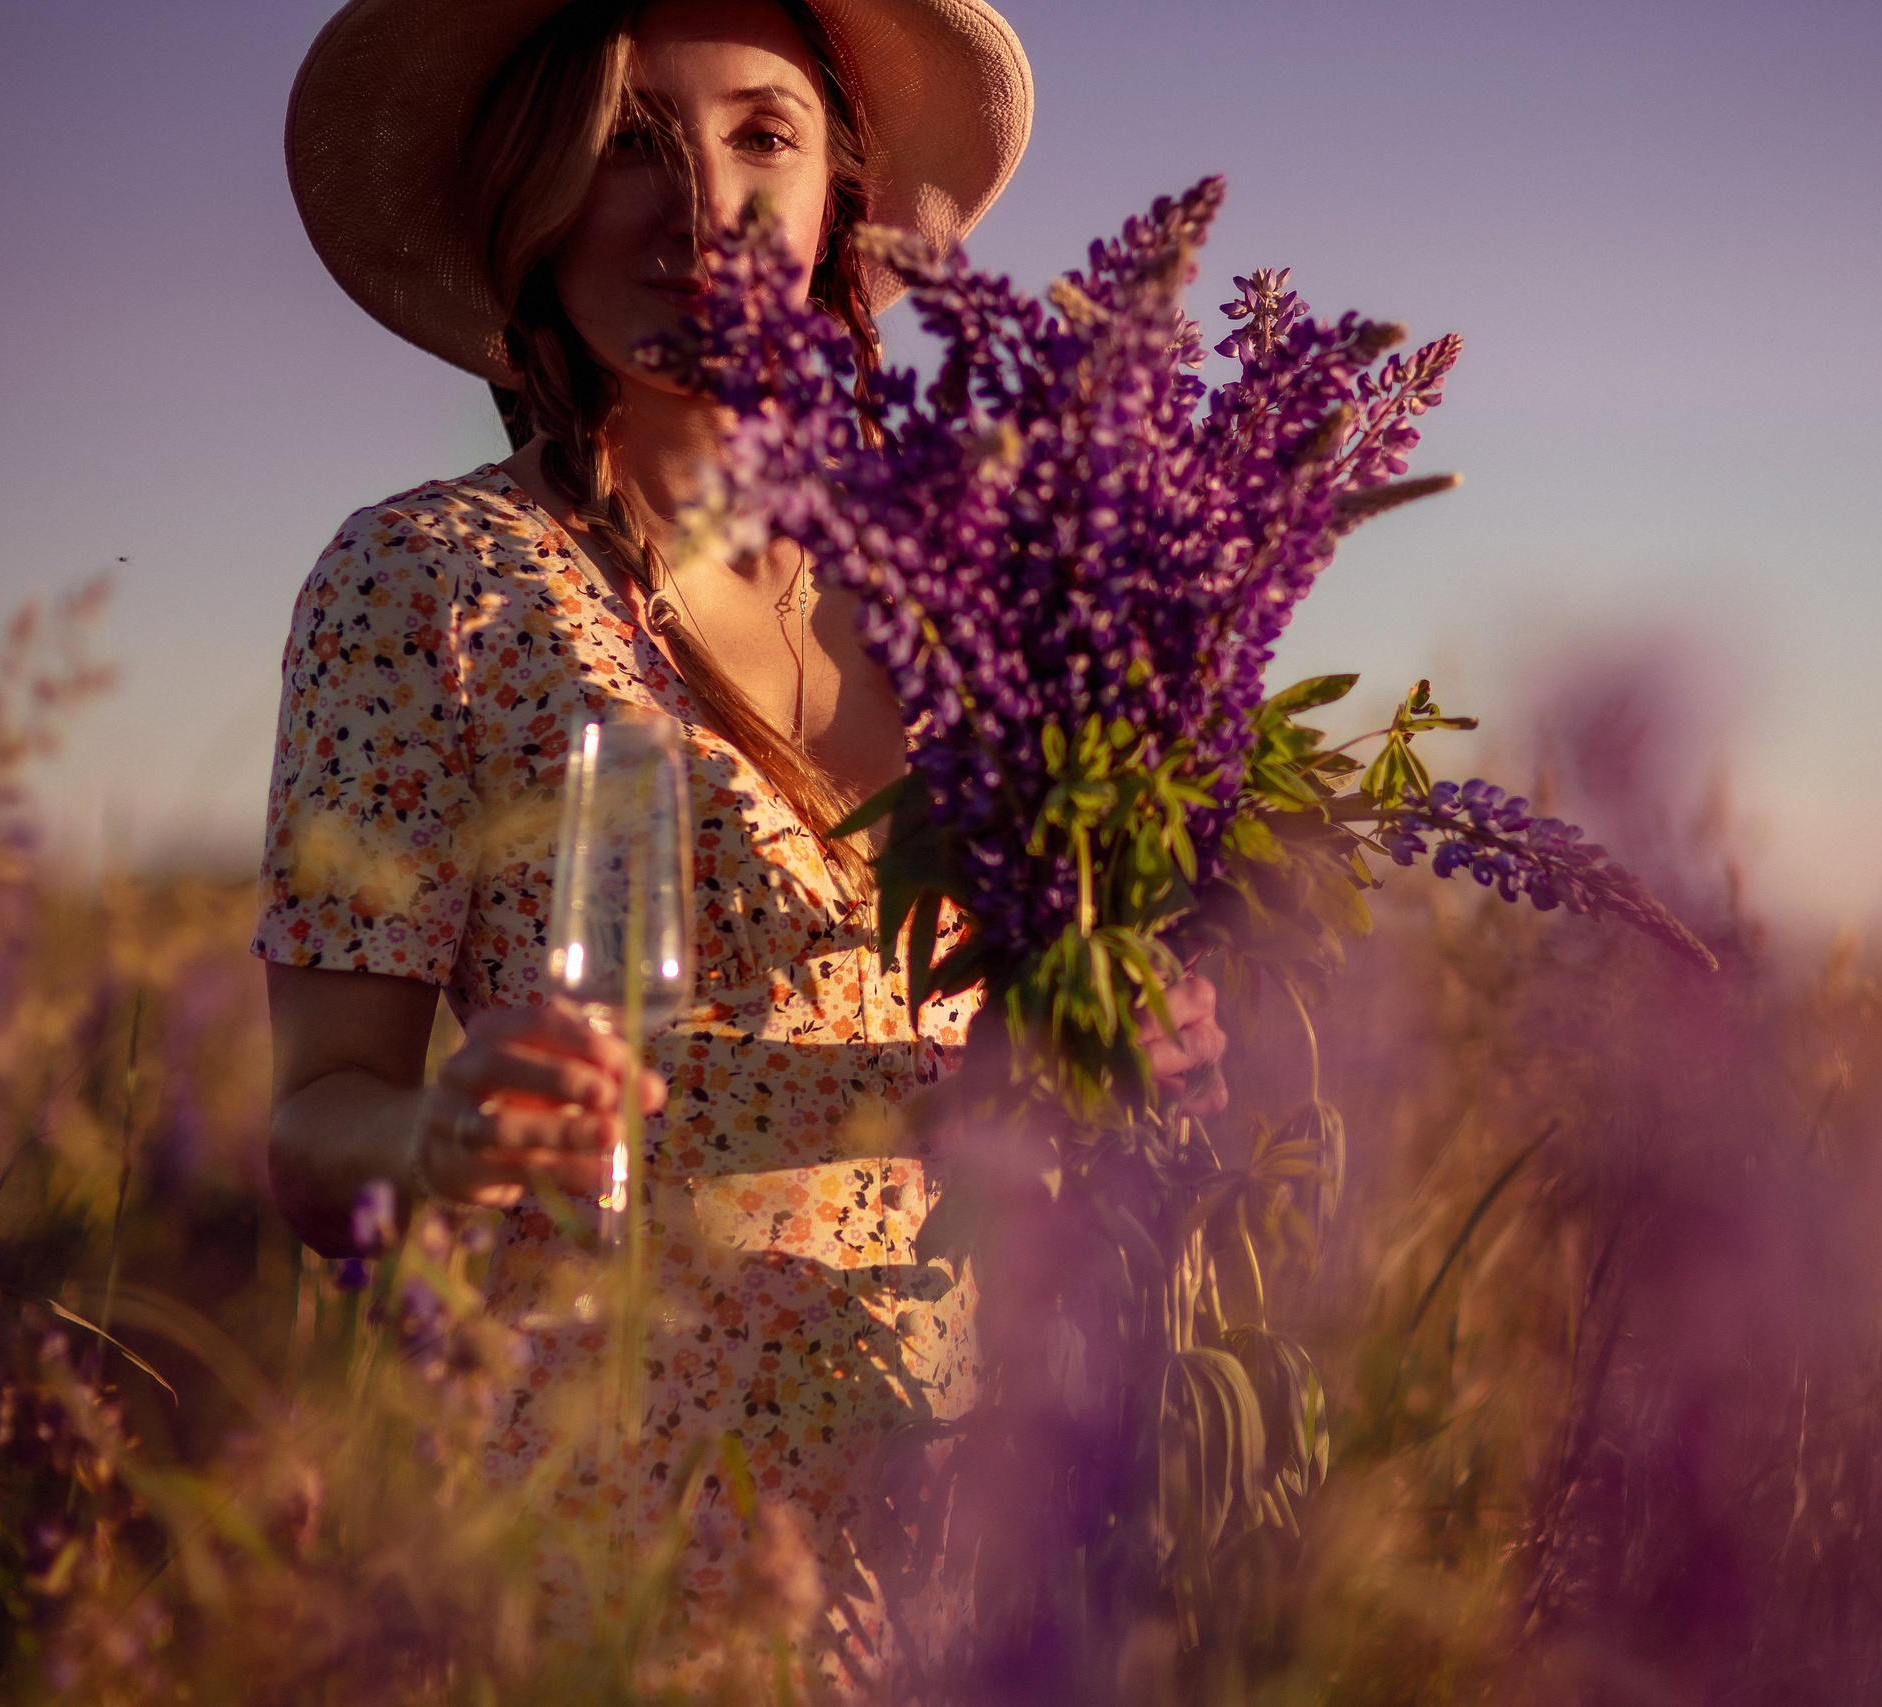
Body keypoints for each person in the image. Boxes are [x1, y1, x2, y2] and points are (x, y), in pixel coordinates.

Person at [257, 0, 1227, 1675]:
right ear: (532, 198)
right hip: (616, 1508)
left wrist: (1144, 1036)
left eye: (761, 134)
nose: (700, 201)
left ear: (841, 194)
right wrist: (433, 1144)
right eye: (626, 140)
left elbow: (1054, 1027)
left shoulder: (979, 601)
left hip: (969, 1499)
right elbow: (314, 1125)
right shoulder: (429, 582)